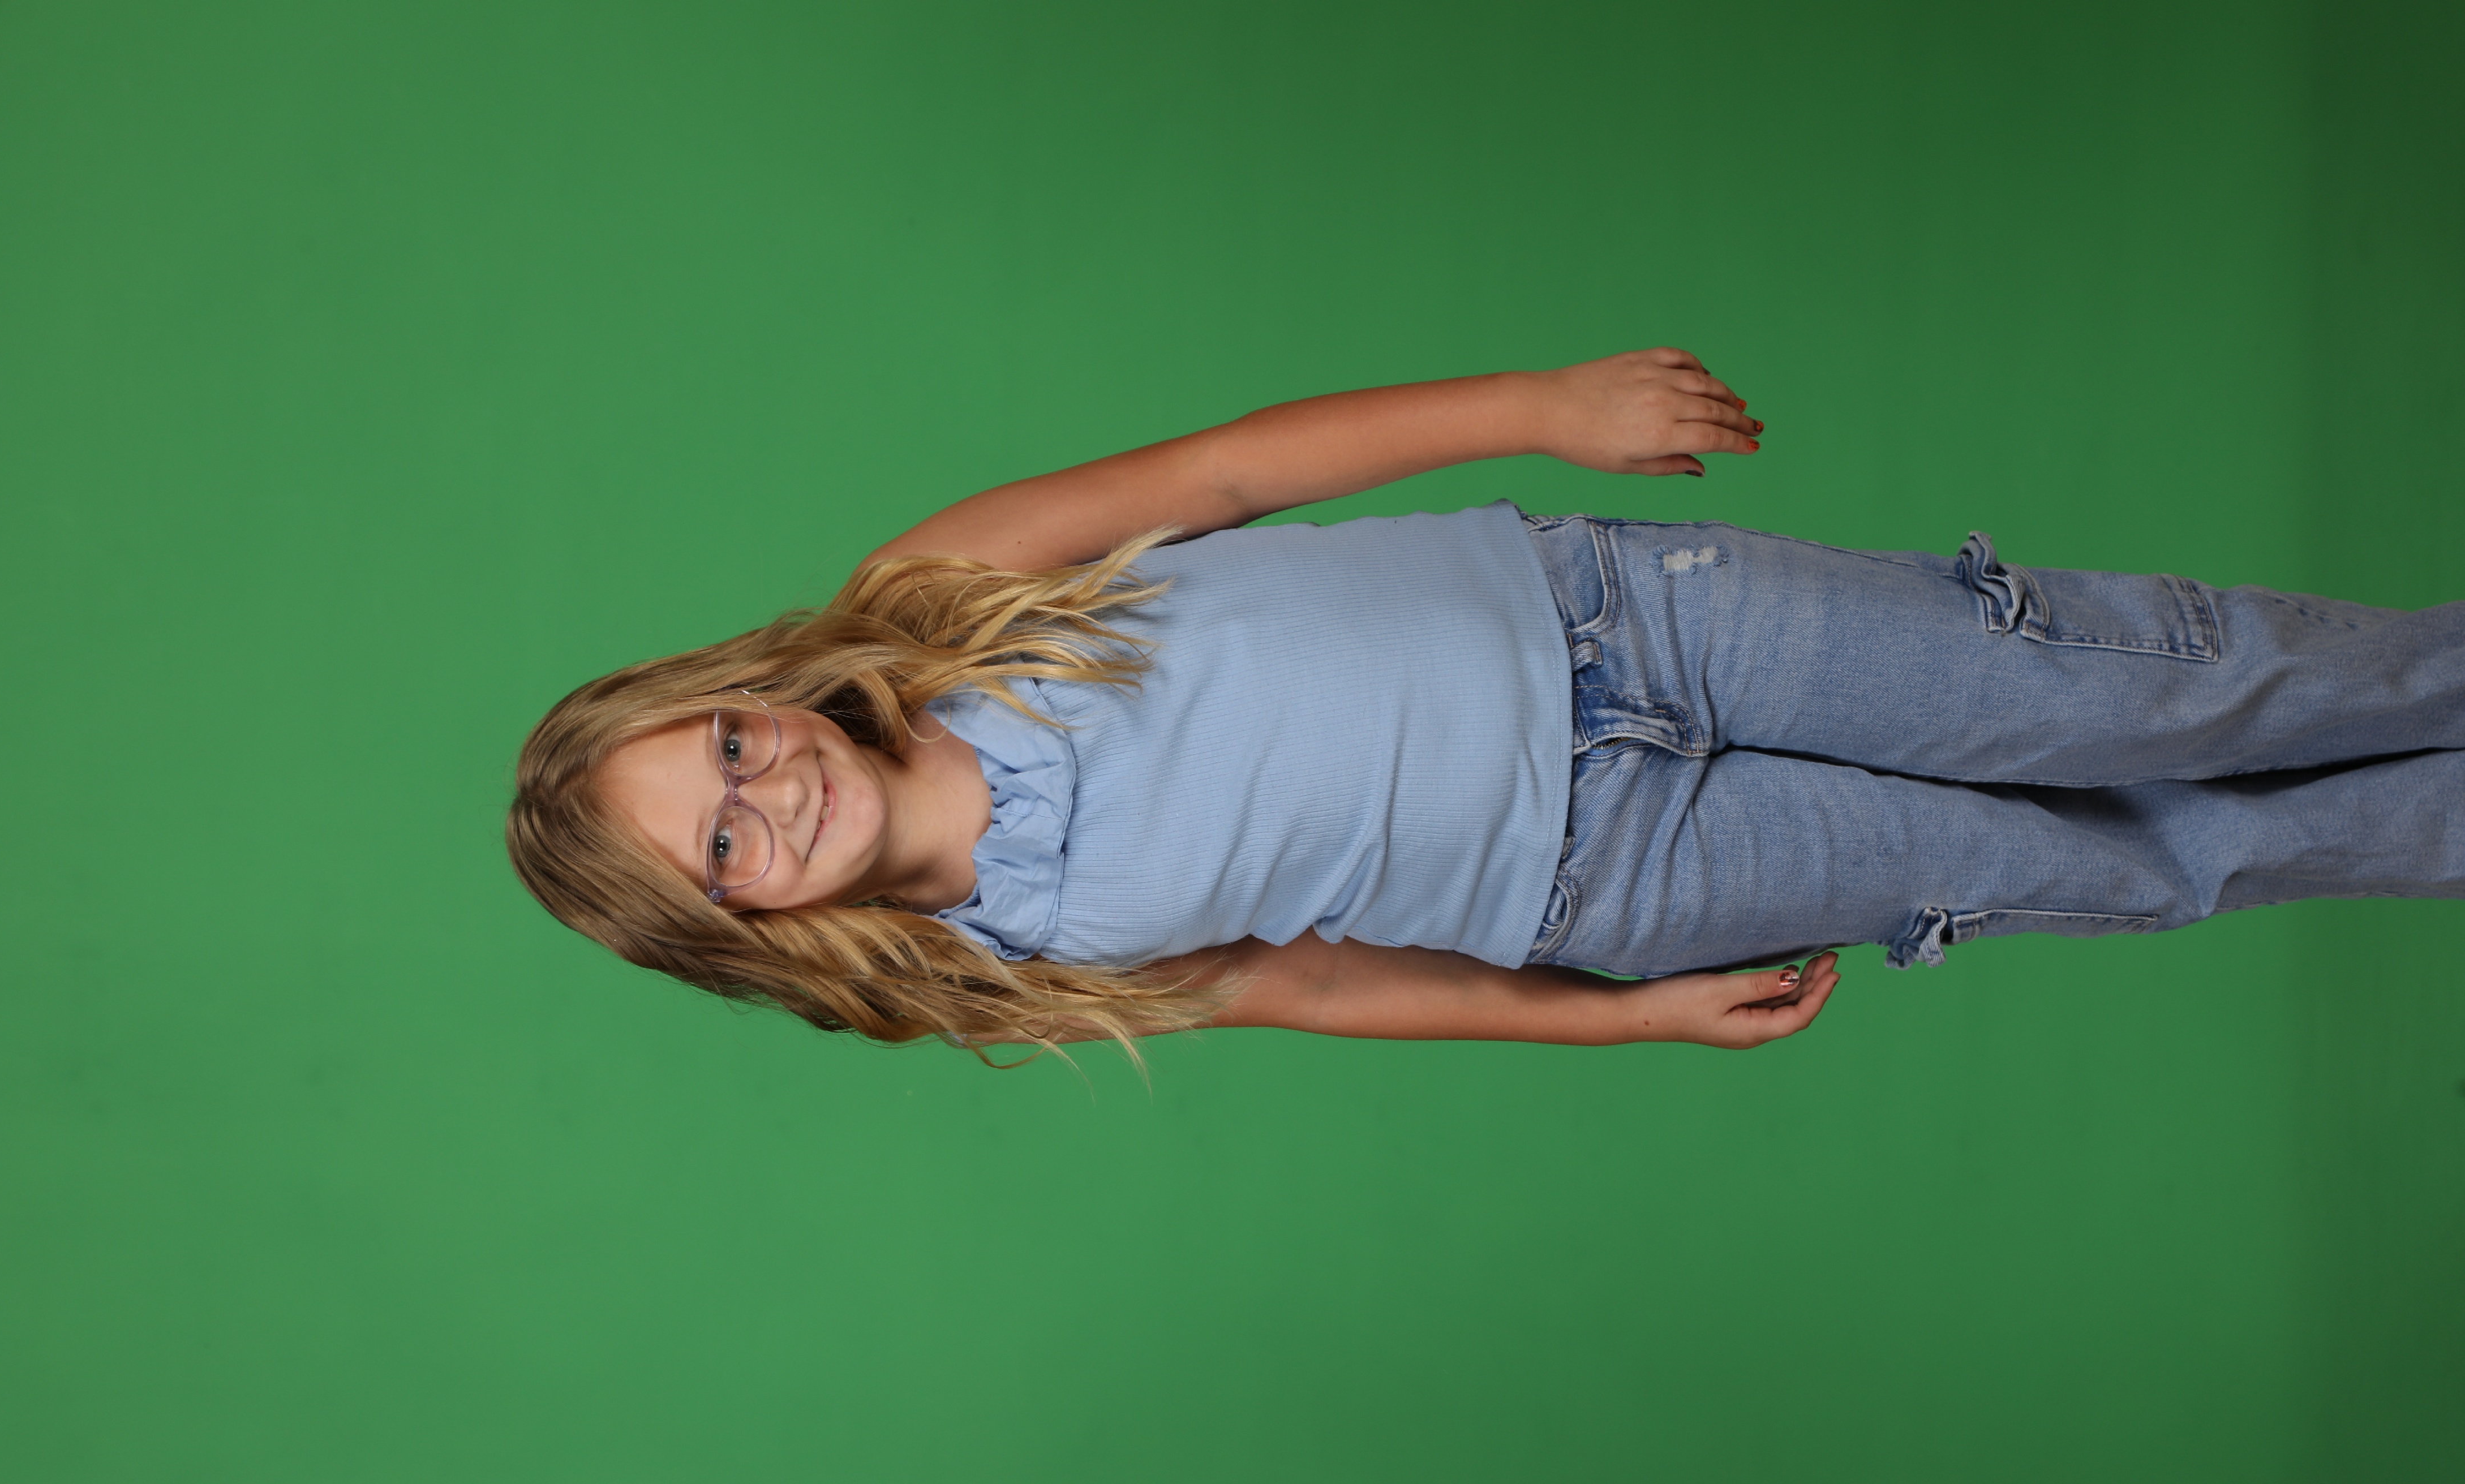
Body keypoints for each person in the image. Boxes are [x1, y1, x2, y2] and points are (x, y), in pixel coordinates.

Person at [505, 350, 2465, 1059]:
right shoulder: (1000, 960)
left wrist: (1540, 408)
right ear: (740, 923)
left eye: (731, 745)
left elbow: (1226, 469)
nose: (771, 792)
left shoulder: (936, 600)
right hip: (1617, 879)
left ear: (748, 691)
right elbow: (1310, 984)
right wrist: (1611, 1018)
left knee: (2141, 696)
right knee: (2103, 866)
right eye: (726, 844)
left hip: (1626, 624)